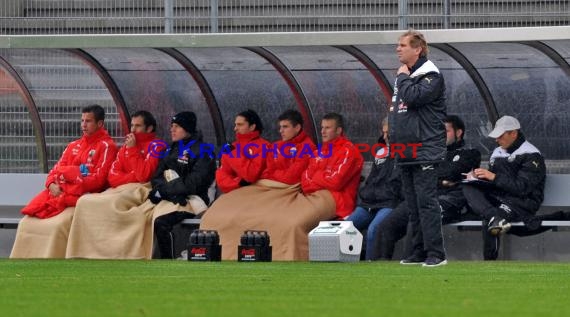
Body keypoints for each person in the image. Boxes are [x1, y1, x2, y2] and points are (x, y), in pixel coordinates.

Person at [201, 109, 334, 261]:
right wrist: (239, 182)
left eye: (285, 127)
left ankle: (278, 255)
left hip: (281, 190)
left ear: (297, 128)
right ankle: (214, 252)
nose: (281, 131)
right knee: (214, 215)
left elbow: (289, 176)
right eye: (280, 127)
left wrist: (246, 170)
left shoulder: (301, 147)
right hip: (258, 188)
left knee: (279, 220)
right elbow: (227, 174)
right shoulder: (272, 146)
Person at [10, 104, 117, 258]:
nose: (83, 125)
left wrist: (70, 180)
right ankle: (24, 264)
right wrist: (51, 184)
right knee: (25, 223)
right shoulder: (73, 145)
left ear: (100, 124)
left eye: (88, 121)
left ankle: (52, 263)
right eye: (82, 121)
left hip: (81, 199)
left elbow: (98, 181)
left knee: (57, 227)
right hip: (58, 194)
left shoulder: (107, 146)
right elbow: (54, 171)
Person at [373, 115, 481, 260]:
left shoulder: (471, 153)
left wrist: (435, 174)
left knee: (417, 224)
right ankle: (380, 267)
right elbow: (422, 174)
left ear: (459, 133)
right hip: (423, 195)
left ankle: (412, 264)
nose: (441, 135)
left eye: (446, 131)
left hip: (450, 200)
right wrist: (441, 180)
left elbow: (453, 171)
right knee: (385, 226)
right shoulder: (430, 153)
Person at [66, 110, 163, 259]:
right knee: (86, 201)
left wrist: (133, 150)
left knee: (112, 203)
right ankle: (86, 251)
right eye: (131, 125)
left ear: (149, 129)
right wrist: (133, 175)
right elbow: (112, 177)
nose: (132, 130)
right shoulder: (125, 147)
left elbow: (144, 176)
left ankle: (116, 252)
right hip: (119, 188)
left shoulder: (156, 146)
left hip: (142, 188)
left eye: (138, 126)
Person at [389, 29, 447, 267]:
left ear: (417, 49)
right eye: (398, 45)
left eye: (403, 45)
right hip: (406, 149)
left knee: (426, 202)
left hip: (425, 147)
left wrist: (403, 78)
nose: (398, 49)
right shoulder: (405, 75)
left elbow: (413, 98)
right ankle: (418, 251)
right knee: (412, 205)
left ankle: (436, 253)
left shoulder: (430, 75)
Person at [462, 115, 546, 260]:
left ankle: (490, 263)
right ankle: (493, 215)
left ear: (513, 133)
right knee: (467, 187)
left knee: (492, 219)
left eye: (500, 136)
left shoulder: (531, 155)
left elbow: (522, 188)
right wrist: (478, 178)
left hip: (522, 203)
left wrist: (493, 177)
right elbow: (495, 182)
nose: (496, 140)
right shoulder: (497, 152)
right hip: (500, 198)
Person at [151, 111, 216, 259]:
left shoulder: (203, 150)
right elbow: (157, 178)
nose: (172, 129)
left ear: (187, 128)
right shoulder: (170, 149)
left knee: (161, 222)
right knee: (140, 216)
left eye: (177, 126)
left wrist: (166, 190)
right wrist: (166, 191)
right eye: (171, 126)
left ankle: (167, 262)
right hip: (171, 198)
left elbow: (193, 184)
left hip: (193, 201)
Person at [346, 118, 403, 260]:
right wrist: (366, 194)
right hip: (369, 203)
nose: (385, 137)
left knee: (374, 230)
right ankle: (341, 269)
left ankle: (372, 267)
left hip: (390, 203)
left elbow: (399, 185)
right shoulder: (381, 152)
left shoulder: (407, 154)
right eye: (383, 133)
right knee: (345, 228)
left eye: (388, 133)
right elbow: (372, 180)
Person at [301, 112, 364, 220]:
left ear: (338, 130)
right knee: (282, 213)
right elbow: (305, 183)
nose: (322, 132)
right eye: (322, 127)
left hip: (338, 204)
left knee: (296, 221)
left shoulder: (348, 151)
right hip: (313, 198)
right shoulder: (318, 152)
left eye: (327, 128)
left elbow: (336, 182)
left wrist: (316, 176)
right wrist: (324, 178)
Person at [215, 109, 270, 193]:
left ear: (252, 127)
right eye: (235, 125)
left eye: (240, 125)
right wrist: (239, 182)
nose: (235, 128)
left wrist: (233, 154)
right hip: (235, 192)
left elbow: (250, 175)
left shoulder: (264, 146)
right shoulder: (232, 147)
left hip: (259, 191)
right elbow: (221, 177)